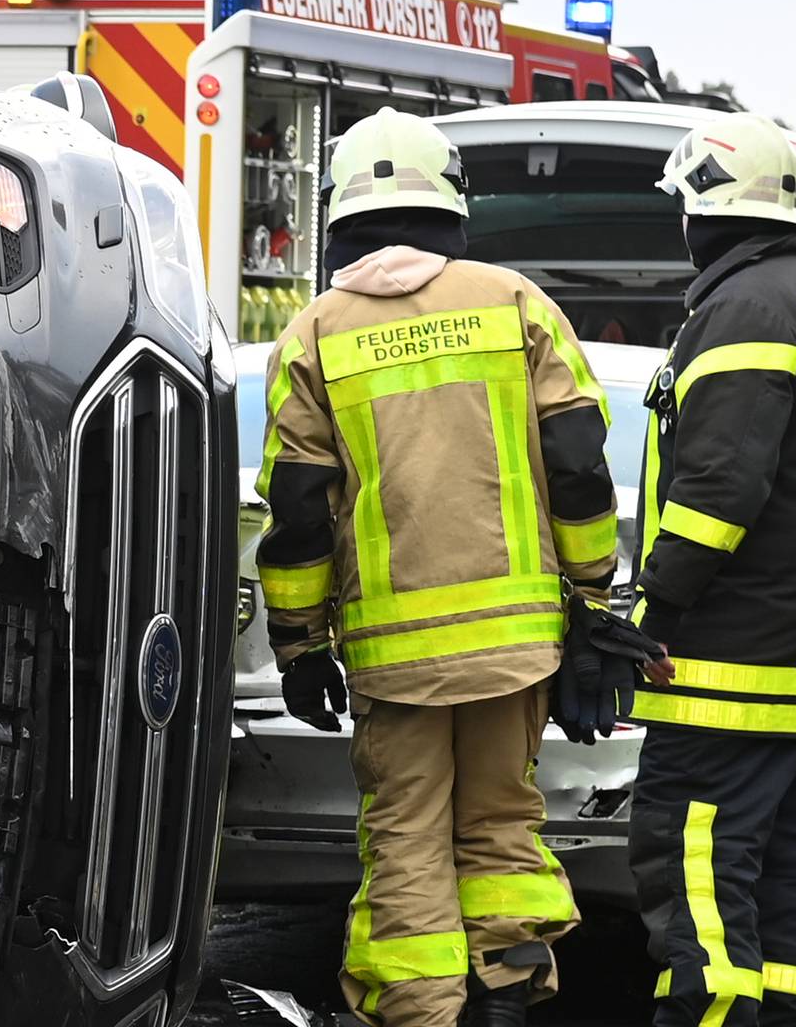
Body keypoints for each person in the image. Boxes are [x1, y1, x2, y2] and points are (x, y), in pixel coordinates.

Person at [259, 108, 622, 1027]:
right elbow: (578, 465)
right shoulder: (517, 305)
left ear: (342, 212)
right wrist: (590, 599)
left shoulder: (313, 335)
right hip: (515, 648)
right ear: (451, 202)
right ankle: (507, 1000)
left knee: (406, 838)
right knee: (504, 824)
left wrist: (299, 645)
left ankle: (423, 1016)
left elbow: (298, 511)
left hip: (393, 656)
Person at [625, 115, 796, 1026]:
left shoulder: (740, 310)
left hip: (734, 668)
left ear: (706, 209)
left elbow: (720, 487)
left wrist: (651, 610)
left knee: (693, 861)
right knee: (790, 876)